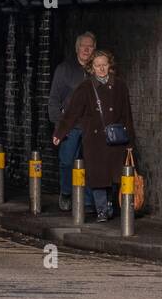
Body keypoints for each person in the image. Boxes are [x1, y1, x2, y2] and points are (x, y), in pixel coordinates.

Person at [53, 49, 135, 223]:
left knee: (114, 176)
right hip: (95, 140)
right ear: (92, 68)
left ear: (109, 65)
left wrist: (130, 141)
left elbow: (127, 114)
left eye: (104, 65)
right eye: (97, 66)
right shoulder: (85, 87)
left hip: (116, 139)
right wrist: (60, 132)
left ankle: (109, 204)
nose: (101, 69)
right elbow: (72, 112)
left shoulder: (120, 86)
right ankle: (102, 210)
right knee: (97, 176)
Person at [48, 31, 96, 211]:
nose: (86, 49)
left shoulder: (97, 70)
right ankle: (67, 192)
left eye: (90, 46)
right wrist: (59, 124)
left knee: (91, 163)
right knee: (67, 161)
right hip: (71, 126)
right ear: (77, 48)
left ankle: (89, 201)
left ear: (94, 49)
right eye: (83, 45)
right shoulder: (64, 69)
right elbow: (53, 99)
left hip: (91, 126)